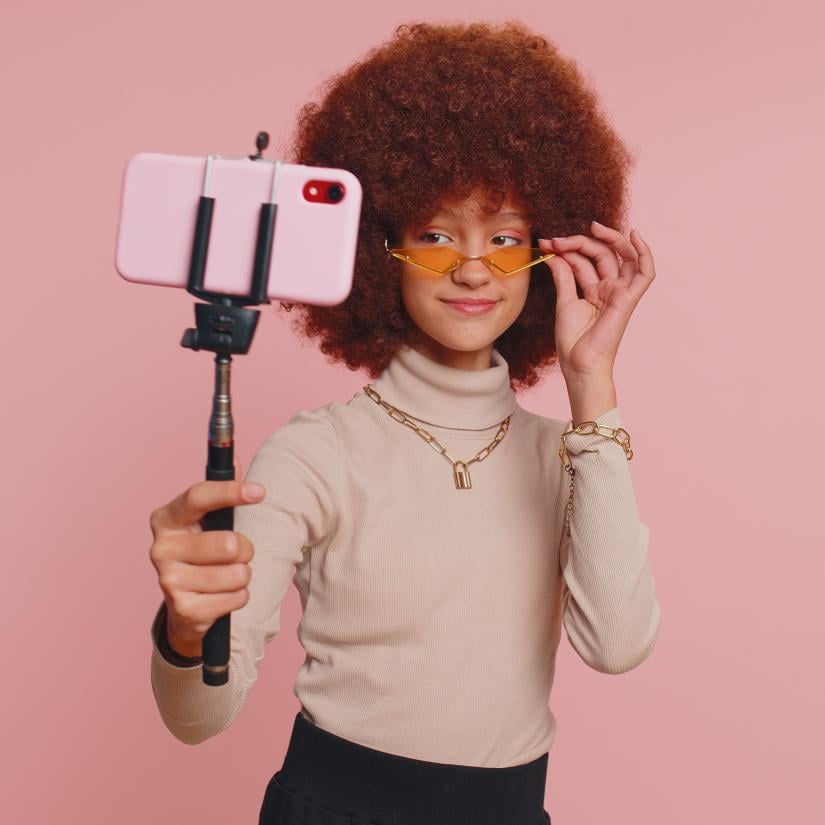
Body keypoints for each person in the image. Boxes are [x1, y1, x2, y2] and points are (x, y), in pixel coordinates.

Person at [147, 20, 661, 825]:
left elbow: (617, 643)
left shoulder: (569, 456)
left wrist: (589, 381)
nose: (469, 267)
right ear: (378, 248)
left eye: (503, 237)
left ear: (543, 255)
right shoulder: (316, 454)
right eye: (433, 234)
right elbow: (198, 717)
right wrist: (186, 627)